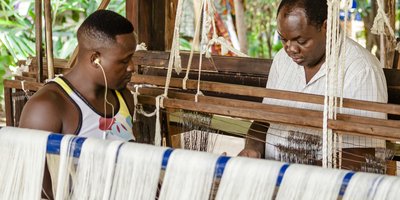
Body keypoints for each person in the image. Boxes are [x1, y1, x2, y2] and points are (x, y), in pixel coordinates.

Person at [239, 0, 388, 163]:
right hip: (274, 173)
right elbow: (264, 121)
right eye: (283, 39)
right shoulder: (282, 60)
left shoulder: (361, 70)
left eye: (301, 41)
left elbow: (363, 155)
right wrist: (252, 149)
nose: (291, 49)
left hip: (327, 183)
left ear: (326, 27)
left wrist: (300, 176)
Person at [19, 9, 137, 199]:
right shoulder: (47, 108)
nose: (132, 67)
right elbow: (34, 189)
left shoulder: (123, 97)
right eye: (124, 61)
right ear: (95, 59)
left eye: (132, 58)